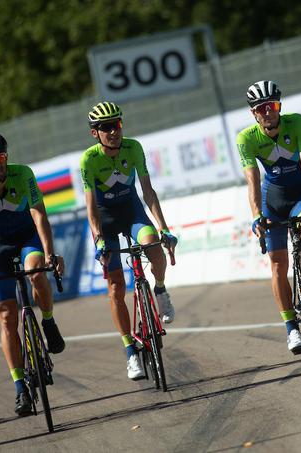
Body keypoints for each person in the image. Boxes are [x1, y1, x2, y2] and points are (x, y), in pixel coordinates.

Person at [0, 132, 66, 416]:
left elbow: (39, 214)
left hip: (26, 238)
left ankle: (48, 321)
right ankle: (20, 388)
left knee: (35, 272)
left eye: (1, 158)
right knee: (7, 316)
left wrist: (48, 252)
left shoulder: (24, 175)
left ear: (7, 157)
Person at [237, 80, 301, 354]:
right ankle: (292, 328)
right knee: (278, 264)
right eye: (261, 108)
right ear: (254, 113)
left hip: (300, 189)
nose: (268, 112)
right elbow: (252, 179)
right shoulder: (246, 138)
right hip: (274, 199)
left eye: (272, 106)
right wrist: (257, 215)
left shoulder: (297, 122)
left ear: (279, 106)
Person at [80, 101, 178, 380]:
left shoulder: (133, 148)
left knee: (153, 245)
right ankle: (130, 353)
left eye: (117, 125)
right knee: (115, 288)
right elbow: (90, 207)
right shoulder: (89, 160)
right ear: (94, 134)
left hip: (132, 211)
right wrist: (99, 240)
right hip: (106, 221)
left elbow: (147, 191)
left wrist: (163, 227)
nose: (113, 132)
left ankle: (159, 290)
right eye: (106, 128)